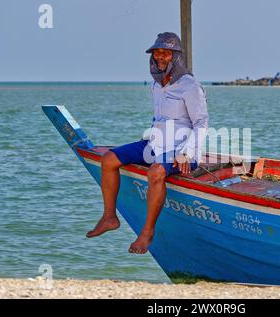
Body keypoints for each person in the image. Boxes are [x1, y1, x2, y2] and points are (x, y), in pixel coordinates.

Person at [86, 32, 209, 254]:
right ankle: (109, 217)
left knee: (155, 172)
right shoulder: (156, 85)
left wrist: (187, 153)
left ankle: (147, 232)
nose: (160, 57)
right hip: (155, 144)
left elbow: (201, 123)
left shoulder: (190, 86)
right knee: (109, 159)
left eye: (166, 53)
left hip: (181, 152)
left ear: (176, 56)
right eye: (156, 52)